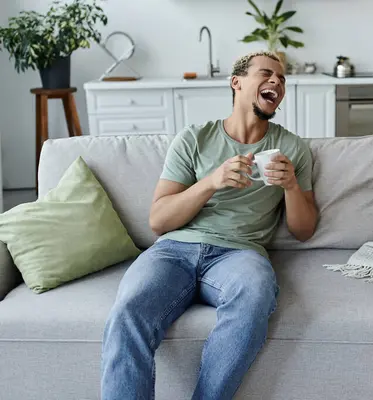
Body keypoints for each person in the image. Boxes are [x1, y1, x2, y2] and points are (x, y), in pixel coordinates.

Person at [100, 51, 318, 400]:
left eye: (282, 78)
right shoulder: (194, 139)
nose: (277, 82)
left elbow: (304, 230)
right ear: (237, 83)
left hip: (240, 255)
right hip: (175, 250)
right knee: (129, 310)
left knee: (255, 294)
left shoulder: (291, 148)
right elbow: (159, 220)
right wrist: (211, 182)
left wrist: (291, 186)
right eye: (267, 74)